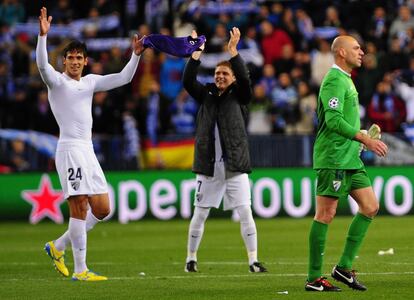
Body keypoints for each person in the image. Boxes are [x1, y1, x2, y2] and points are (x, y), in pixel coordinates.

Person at [36, 7, 145, 281]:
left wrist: (135, 55)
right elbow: (41, 66)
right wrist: (42, 37)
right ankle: (81, 270)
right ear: (64, 62)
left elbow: (124, 78)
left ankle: (57, 246)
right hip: (70, 149)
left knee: (103, 209)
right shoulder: (57, 83)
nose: (74, 62)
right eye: (70, 58)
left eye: (79, 58)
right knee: (79, 205)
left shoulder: (90, 82)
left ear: (86, 62)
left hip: (87, 150)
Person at [305, 35, 388, 292]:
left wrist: (361, 133)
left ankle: (343, 267)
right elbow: (331, 121)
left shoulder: (346, 80)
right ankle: (314, 278)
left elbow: (343, 122)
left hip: (350, 157)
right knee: (326, 214)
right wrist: (362, 136)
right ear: (341, 52)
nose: (361, 52)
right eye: (356, 48)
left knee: (370, 206)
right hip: (334, 158)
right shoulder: (333, 80)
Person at [183, 27, 267, 273]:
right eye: (218, 73)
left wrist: (233, 53)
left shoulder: (240, 95)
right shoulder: (206, 93)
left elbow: (245, 79)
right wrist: (196, 54)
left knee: (245, 213)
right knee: (199, 215)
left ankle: (253, 260)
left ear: (233, 78)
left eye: (225, 73)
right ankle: (191, 258)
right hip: (208, 165)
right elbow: (188, 81)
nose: (220, 76)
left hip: (234, 165)